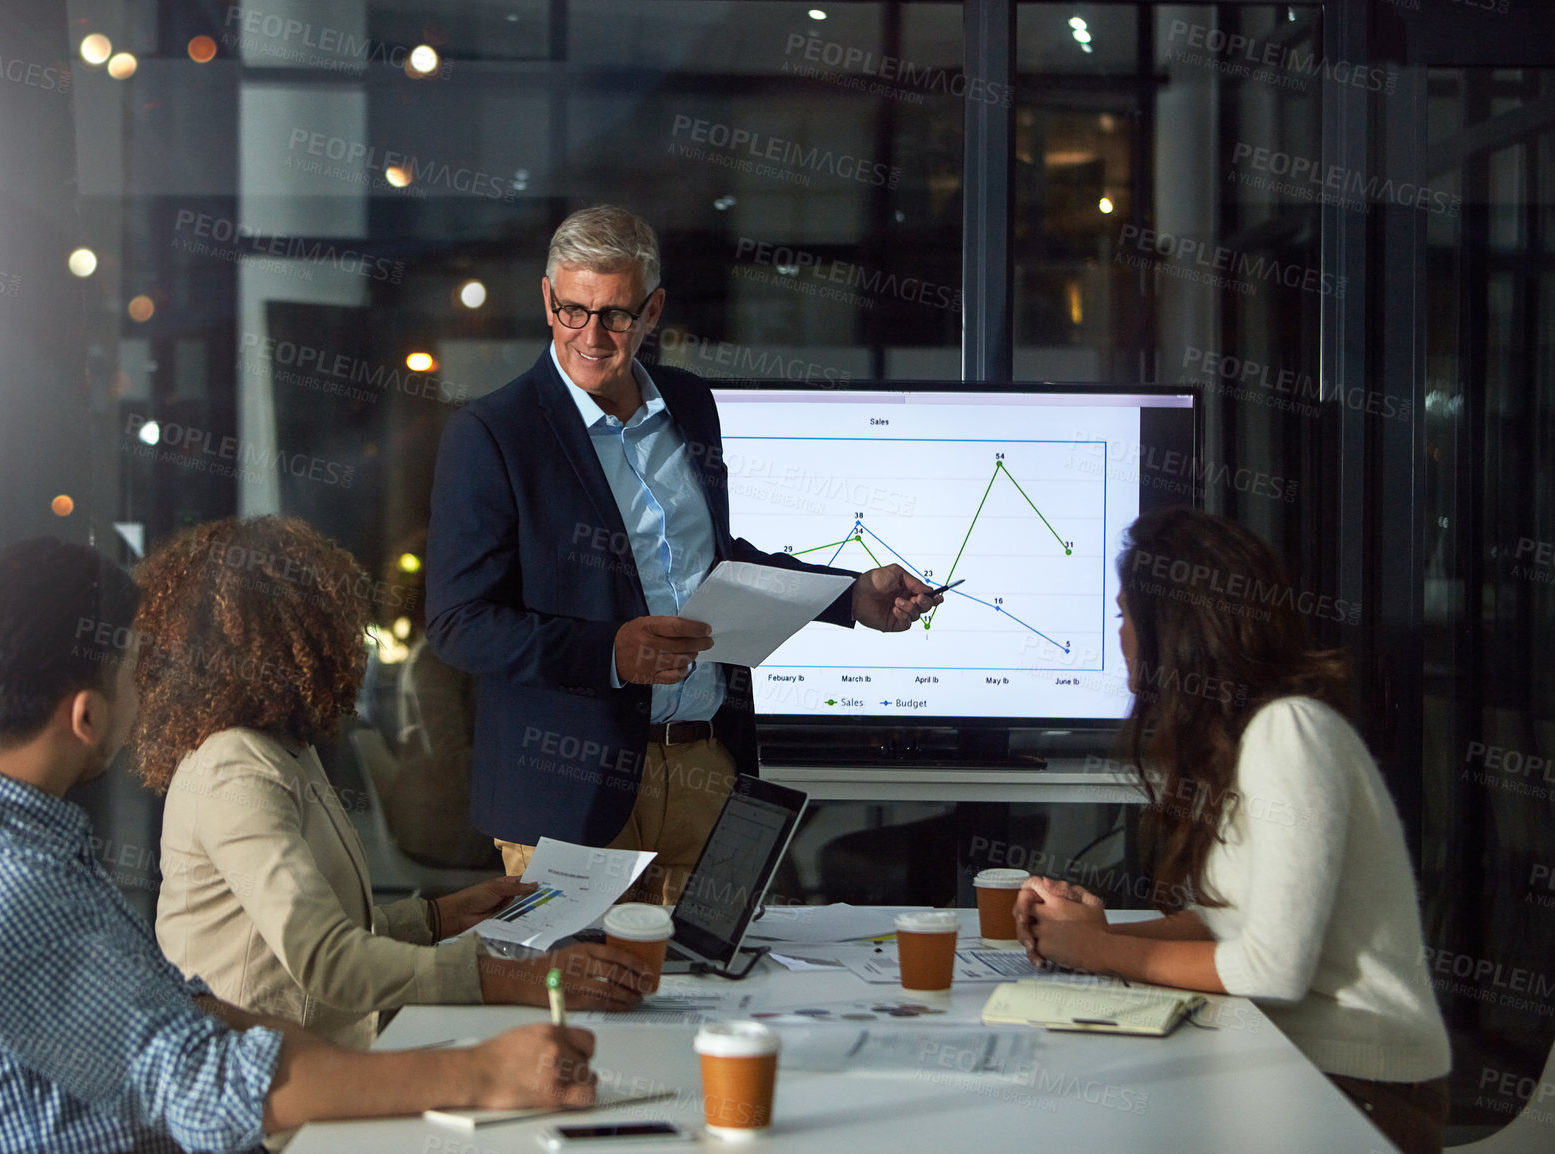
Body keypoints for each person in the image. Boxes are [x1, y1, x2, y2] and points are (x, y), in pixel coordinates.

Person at [0, 537, 599, 1154]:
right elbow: (205, 1085)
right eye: (132, 671)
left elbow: (183, 1011)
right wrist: (481, 1073)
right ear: (86, 715)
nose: (147, 690)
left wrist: (364, 1057)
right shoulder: (5, 887)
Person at [426, 204, 941, 903]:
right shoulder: (492, 433)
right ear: (548, 301)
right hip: (570, 789)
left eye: (615, 314)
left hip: (706, 771)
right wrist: (611, 652)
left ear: (653, 309)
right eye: (573, 310)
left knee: (722, 994)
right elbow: (459, 623)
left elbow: (713, 563)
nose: (592, 335)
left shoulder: (693, 405)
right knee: (590, 999)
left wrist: (849, 596)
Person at [1014, 507, 1451, 1154]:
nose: (1121, 637)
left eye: (1124, 617)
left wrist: (1096, 951)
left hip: (1360, 1091)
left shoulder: (1290, 732)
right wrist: (1090, 933)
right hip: (1291, 1065)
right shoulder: (1244, 741)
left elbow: (1270, 969)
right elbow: (1230, 924)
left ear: (1176, 631)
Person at [137, 517, 646, 1054]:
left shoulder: (282, 746)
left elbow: (320, 928)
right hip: (260, 1086)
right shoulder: (235, 769)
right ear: (292, 639)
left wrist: (441, 917)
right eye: (334, 621)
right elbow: (327, 960)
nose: (351, 640)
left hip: (311, 1058)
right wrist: (524, 979)